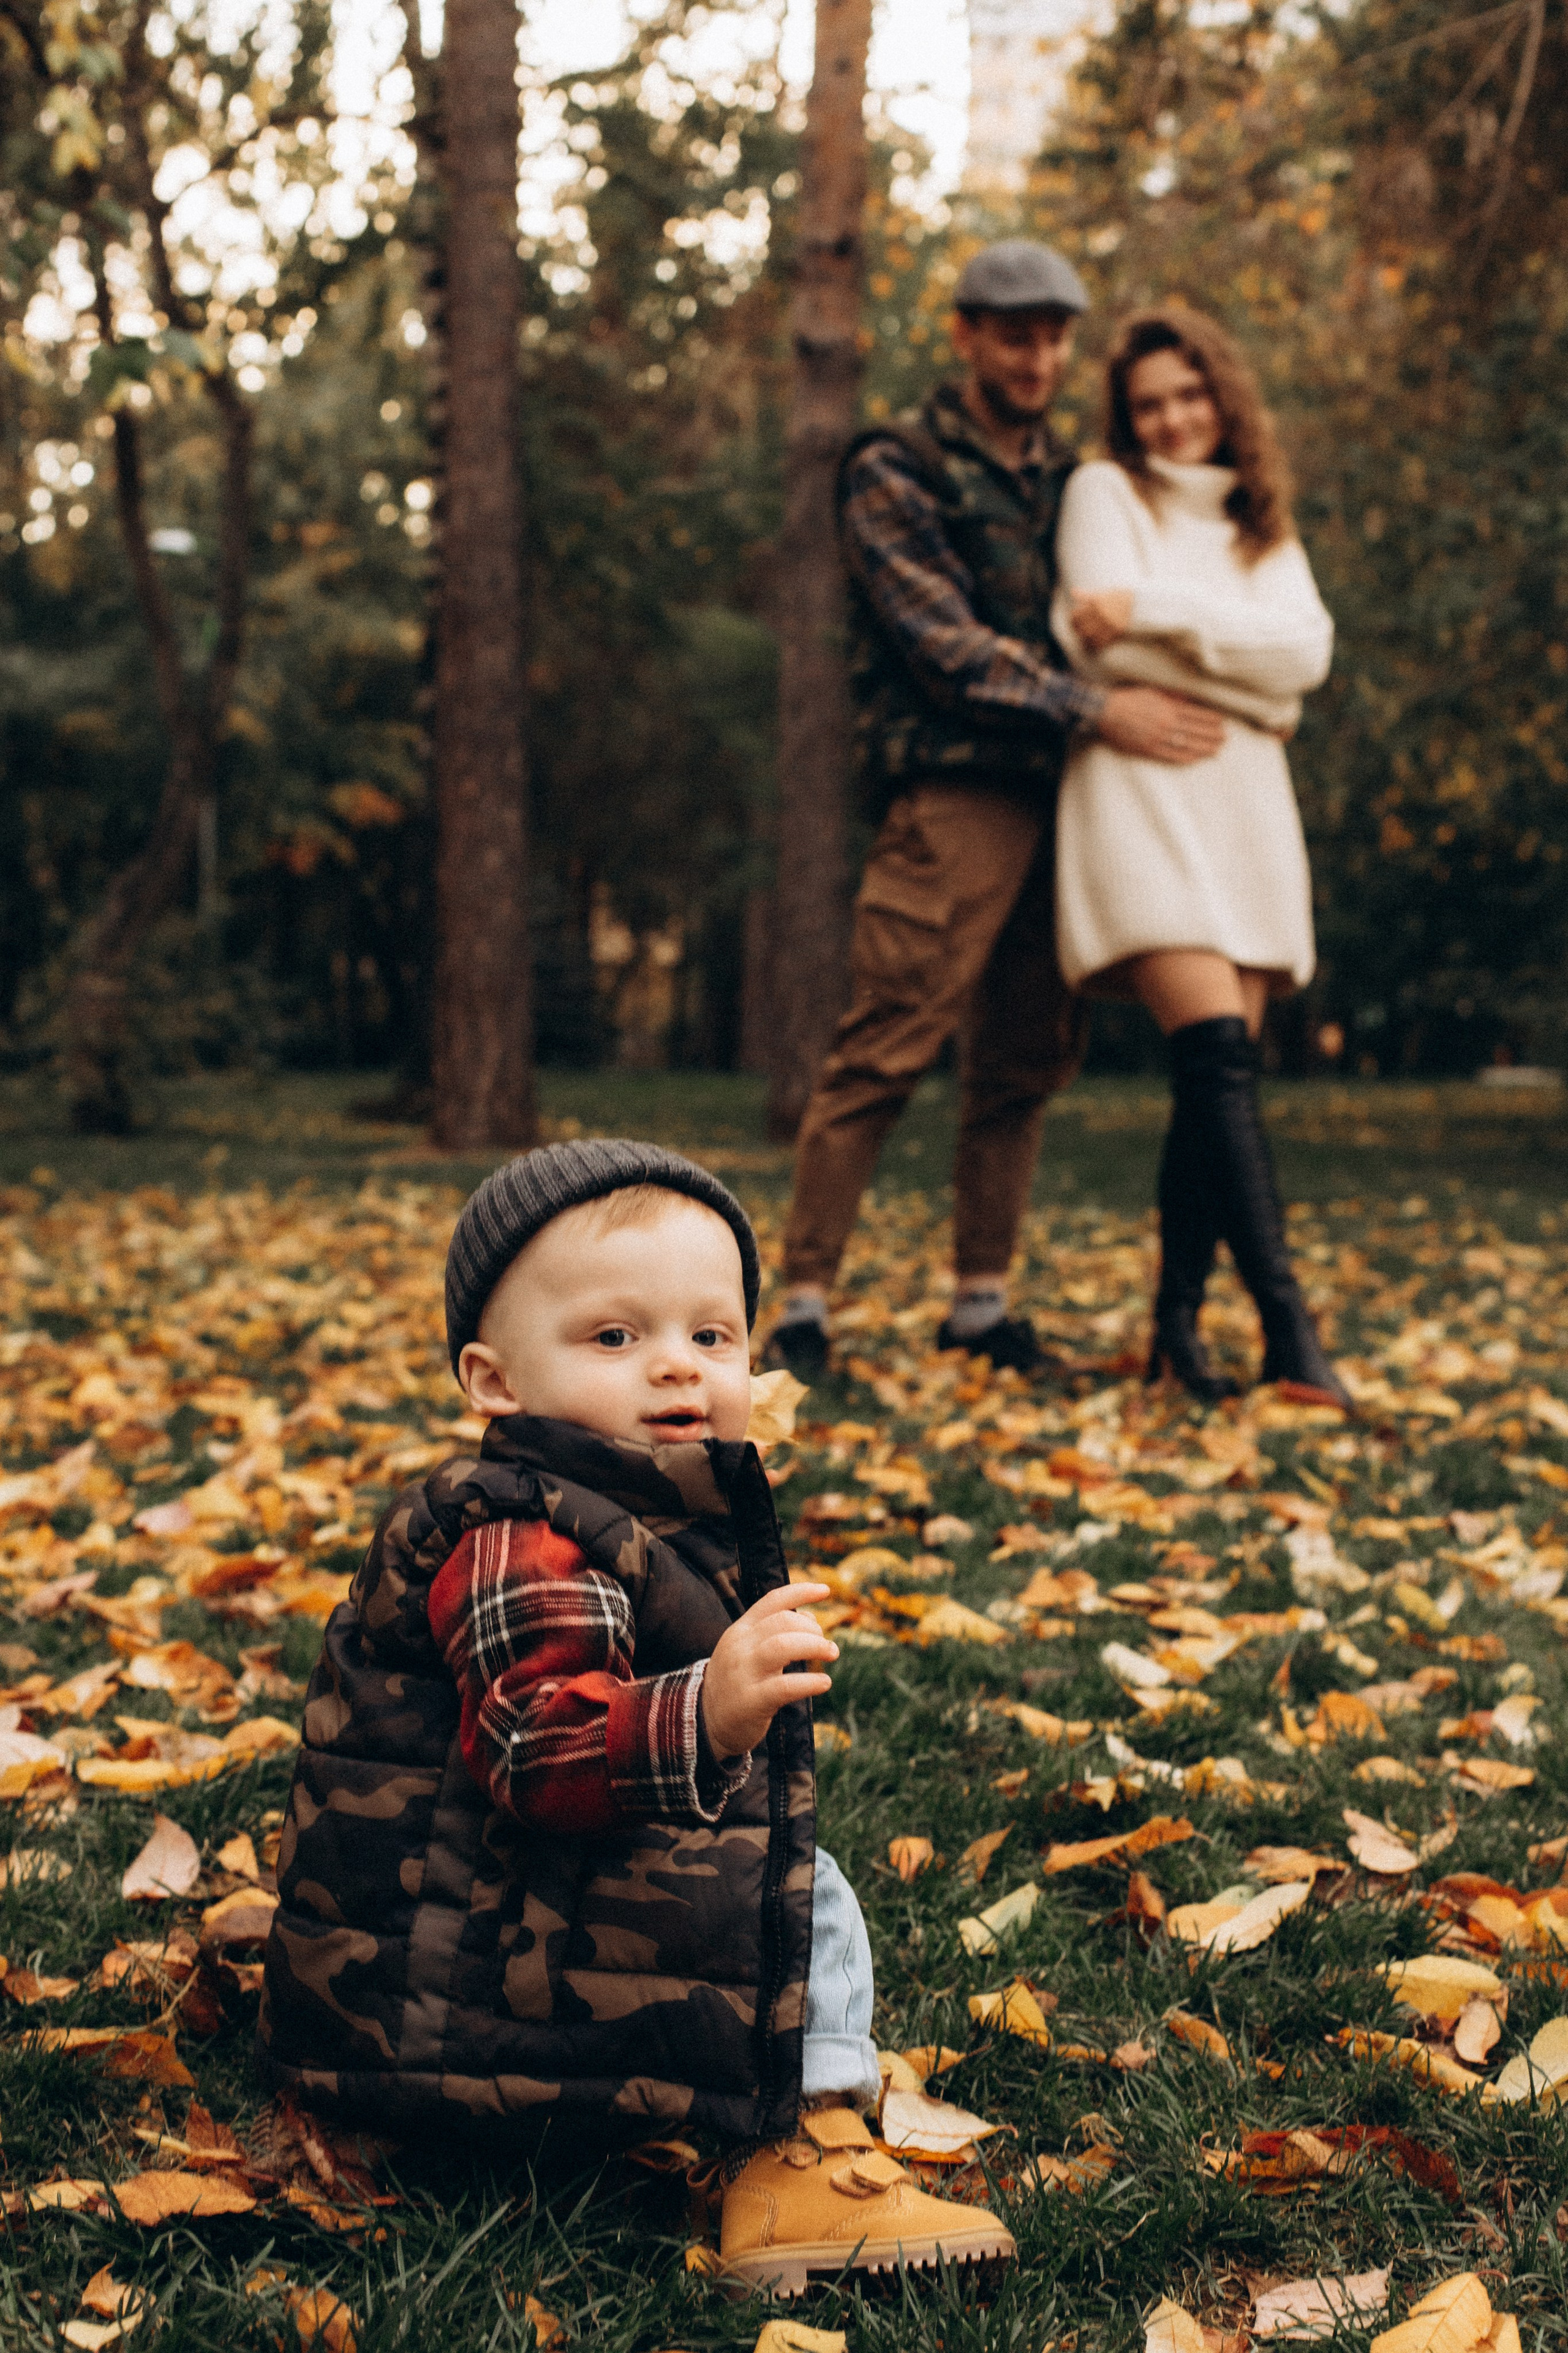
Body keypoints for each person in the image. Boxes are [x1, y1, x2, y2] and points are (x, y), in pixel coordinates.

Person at [258, 1138, 1014, 2295]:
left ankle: (799, 2095)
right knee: (793, 1899)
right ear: (494, 1382)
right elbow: (534, 1746)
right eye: (617, 1336)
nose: (677, 1368)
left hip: (473, 1947)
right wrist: (706, 1707)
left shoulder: (631, 1512)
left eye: (712, 1335)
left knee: (791, 1875)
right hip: (449, 1993)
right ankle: (790, 2150)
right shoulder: (522, 1537)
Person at [766, 239, 1226, 1384]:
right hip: (961, 792)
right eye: (1015, 334)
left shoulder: (1079, 479)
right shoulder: (897, 463)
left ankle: (982, 1306)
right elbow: (943, 647)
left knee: (1027, 1058)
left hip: (1071, 796)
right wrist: (1098, 706)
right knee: (885, 1046)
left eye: (1056, 336)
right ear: (966, 335)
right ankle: (801, 1310)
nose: (1040, 356)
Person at [1051, 304, 1348, 1406]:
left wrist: (1170, 619)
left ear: (1222, 395)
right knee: (1218, 1054)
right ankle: (1289, 1332)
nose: (1173, 419)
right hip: (1141, 798)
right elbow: (1096, 635)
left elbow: (1307, 657)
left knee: (1209, 1085)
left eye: (1189, 394)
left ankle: (1176, 1331)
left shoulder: (1259, 526)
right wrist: (1247, 680)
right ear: (1126, 421)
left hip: (1247, 811)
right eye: (1149, 405)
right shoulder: (1102, 494)